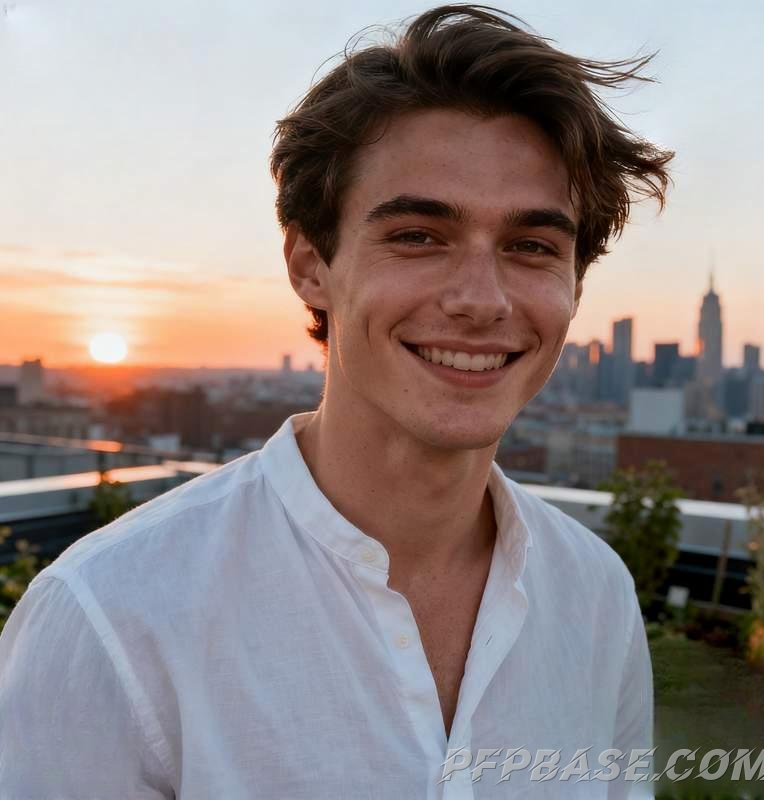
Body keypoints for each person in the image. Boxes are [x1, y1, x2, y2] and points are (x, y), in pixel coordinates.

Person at [0, 6, 672, 798]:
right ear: (310, 265)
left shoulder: (594, 596)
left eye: (532, 247)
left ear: (575, 286)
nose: (481, 300)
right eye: (418, 235)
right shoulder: (111, 618)